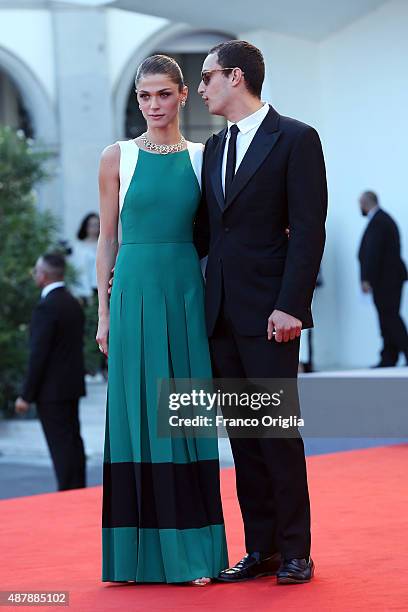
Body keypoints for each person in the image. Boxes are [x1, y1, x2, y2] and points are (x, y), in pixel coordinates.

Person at [194, 40, 327, 584]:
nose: (200, 89)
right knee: (245, 439)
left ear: (236, 77)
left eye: (206, 78)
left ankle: (297, 550)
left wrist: (291, 305)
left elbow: (309, 230)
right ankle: (262, 548)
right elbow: (207, 234)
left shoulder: (295, 138)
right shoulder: (211, 148)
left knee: (277, 434)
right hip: (220, 315)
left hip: (271, 316)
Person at [96, 55, 228, 585]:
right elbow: (107, 239)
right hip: (132, 295)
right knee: (134, 420)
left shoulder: (204, 156)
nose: (153, 105)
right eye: (145, 96)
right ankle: (133, 559)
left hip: (184, 297)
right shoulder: (116, 157)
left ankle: (194, 555)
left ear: (182, 95)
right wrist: (103, 313)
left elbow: (223, 231)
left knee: (184, 420)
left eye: (163, 95)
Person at [15, 253, 87, 491]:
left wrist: (26, 395)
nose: (35, 275)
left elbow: (39, 355)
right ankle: (78, 490)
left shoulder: (47, 307)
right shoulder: (72, 302)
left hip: (51, 390)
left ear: (43, 276)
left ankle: (68, 493)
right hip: (71, 386)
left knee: (61, 445)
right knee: (73, 441)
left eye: (36, 271)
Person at [358, 191, 408, 367]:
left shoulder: (379, 221)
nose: (359, 208)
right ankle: (389, 357)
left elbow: (373, 252)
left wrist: (366, 278)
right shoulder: (381, 219)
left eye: (360, 204)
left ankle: (400, 354)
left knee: (390, 317)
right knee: (387, 317)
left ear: (365, 203)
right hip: (388, 279)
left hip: (386, 280)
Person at [71, 213, 100, 303]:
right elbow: (79, 269)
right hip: (85, 288)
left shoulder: (106, 245)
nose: (94, 228)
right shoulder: (79, 246)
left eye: (97, 225)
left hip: (102, 286)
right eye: (91, 225)